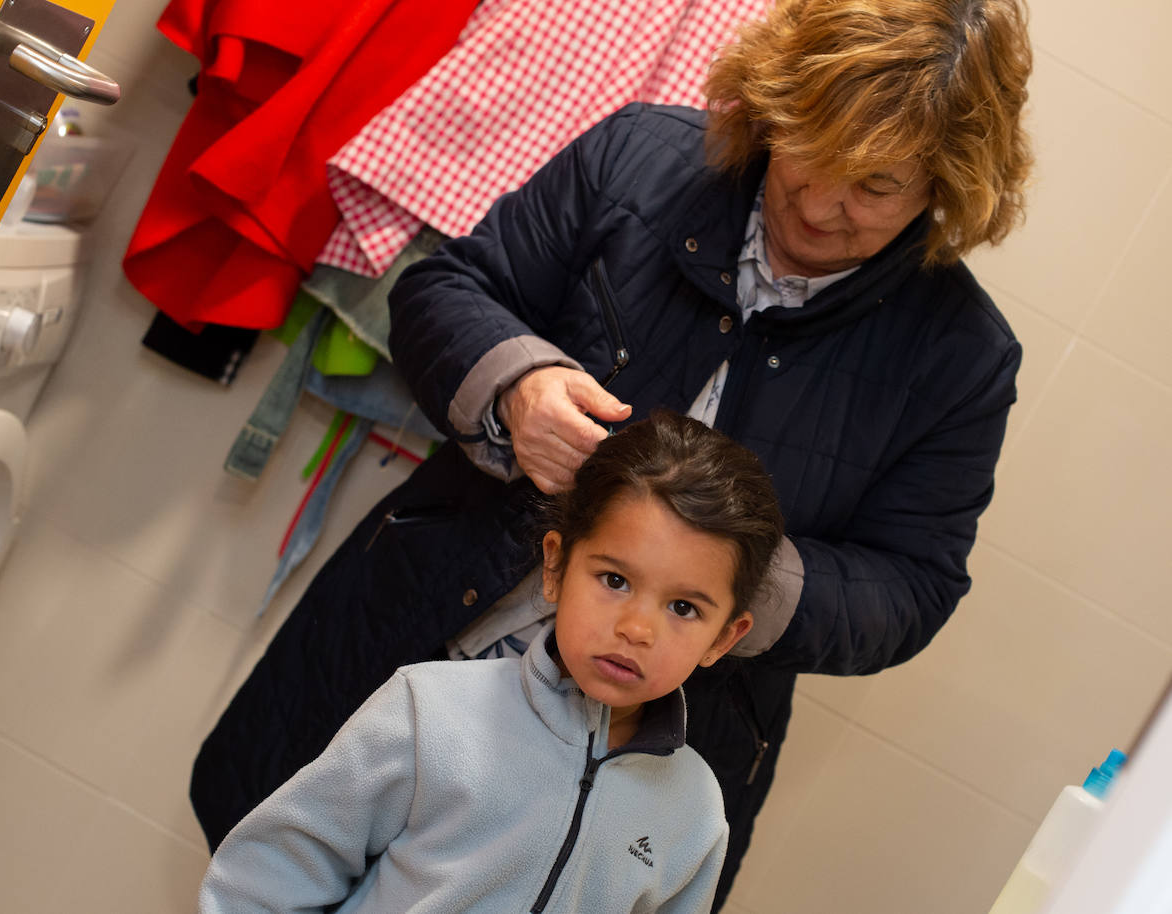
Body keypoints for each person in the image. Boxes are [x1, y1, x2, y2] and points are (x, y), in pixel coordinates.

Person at [192, 0, 1034, 907]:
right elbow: (445, 291)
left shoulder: (960, 360)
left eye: (876, 186)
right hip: (416, 630)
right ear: (771, 104)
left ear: (946, 188)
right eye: (813, 148)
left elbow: (912, 589)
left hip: (659, 753)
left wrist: (735, 575)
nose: (825, 204)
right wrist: (517, 386)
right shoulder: (641, 158)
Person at [198, 413, 783, 913]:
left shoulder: (698, 810)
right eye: (614, 579)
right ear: (554, 567)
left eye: (683, 607)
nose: (637, 628)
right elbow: (273, 871)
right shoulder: (429, 709)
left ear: (723, 639)